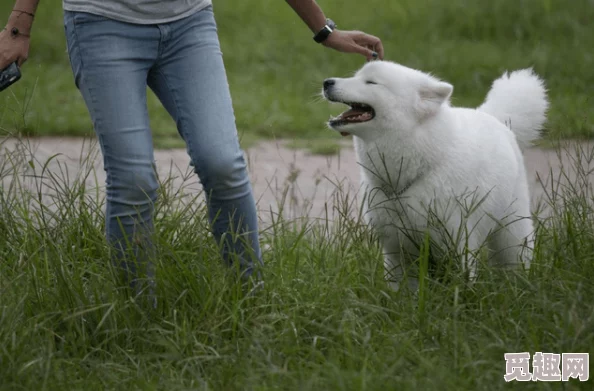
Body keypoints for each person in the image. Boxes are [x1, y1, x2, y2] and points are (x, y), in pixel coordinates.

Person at [0, 0, 384, 295]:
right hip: (100, 24)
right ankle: (138, 314)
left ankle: (250, 300)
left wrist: (323, 29)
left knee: (223, 164)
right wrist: (19, 25)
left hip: (188, 24)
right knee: (133, 180)